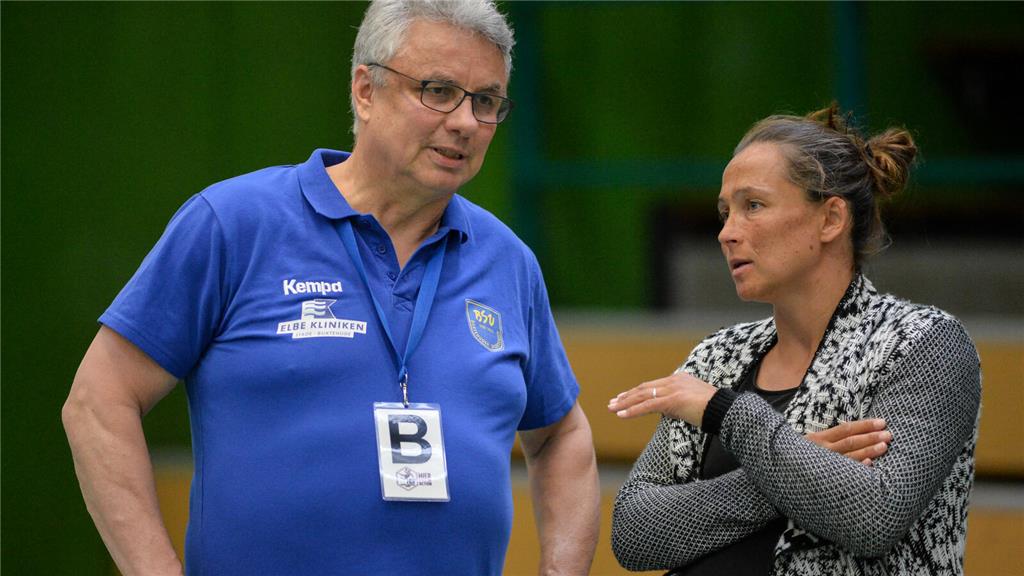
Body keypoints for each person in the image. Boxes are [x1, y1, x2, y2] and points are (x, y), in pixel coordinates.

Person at [62, 1, 600, 574]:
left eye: (486, 101)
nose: (466, 122)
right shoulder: (235, 224)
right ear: (365, 91)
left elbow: (561, 436)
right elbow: (98, 401)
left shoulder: (507, 260)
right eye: (439, 91)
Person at [608, 105, 981, 575]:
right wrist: (794, 469)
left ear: (830, 219)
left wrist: (728, 413)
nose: (726, 233)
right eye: (725, 212)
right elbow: (635, 533)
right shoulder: (717, 357)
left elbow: (873, 516)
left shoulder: (922, 344)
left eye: (753, 206)